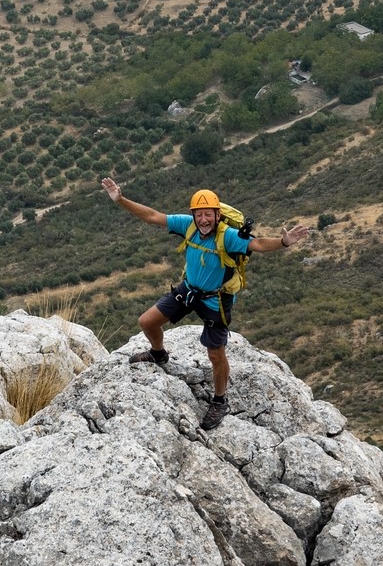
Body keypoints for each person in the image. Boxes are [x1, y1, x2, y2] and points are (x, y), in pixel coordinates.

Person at [100, 178, 310, 430]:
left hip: (215, 299)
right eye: (198, 214)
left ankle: (220, 400)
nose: (203, 220)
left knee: (215, 353)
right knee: (147, 322)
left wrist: (283, 242)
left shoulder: (229, 237)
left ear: (217, 215)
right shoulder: (187, 225)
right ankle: (158, 353)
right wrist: (121, 200)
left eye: (208, 214)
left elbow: (257, 244)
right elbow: (153, 216)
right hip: (189, 289)